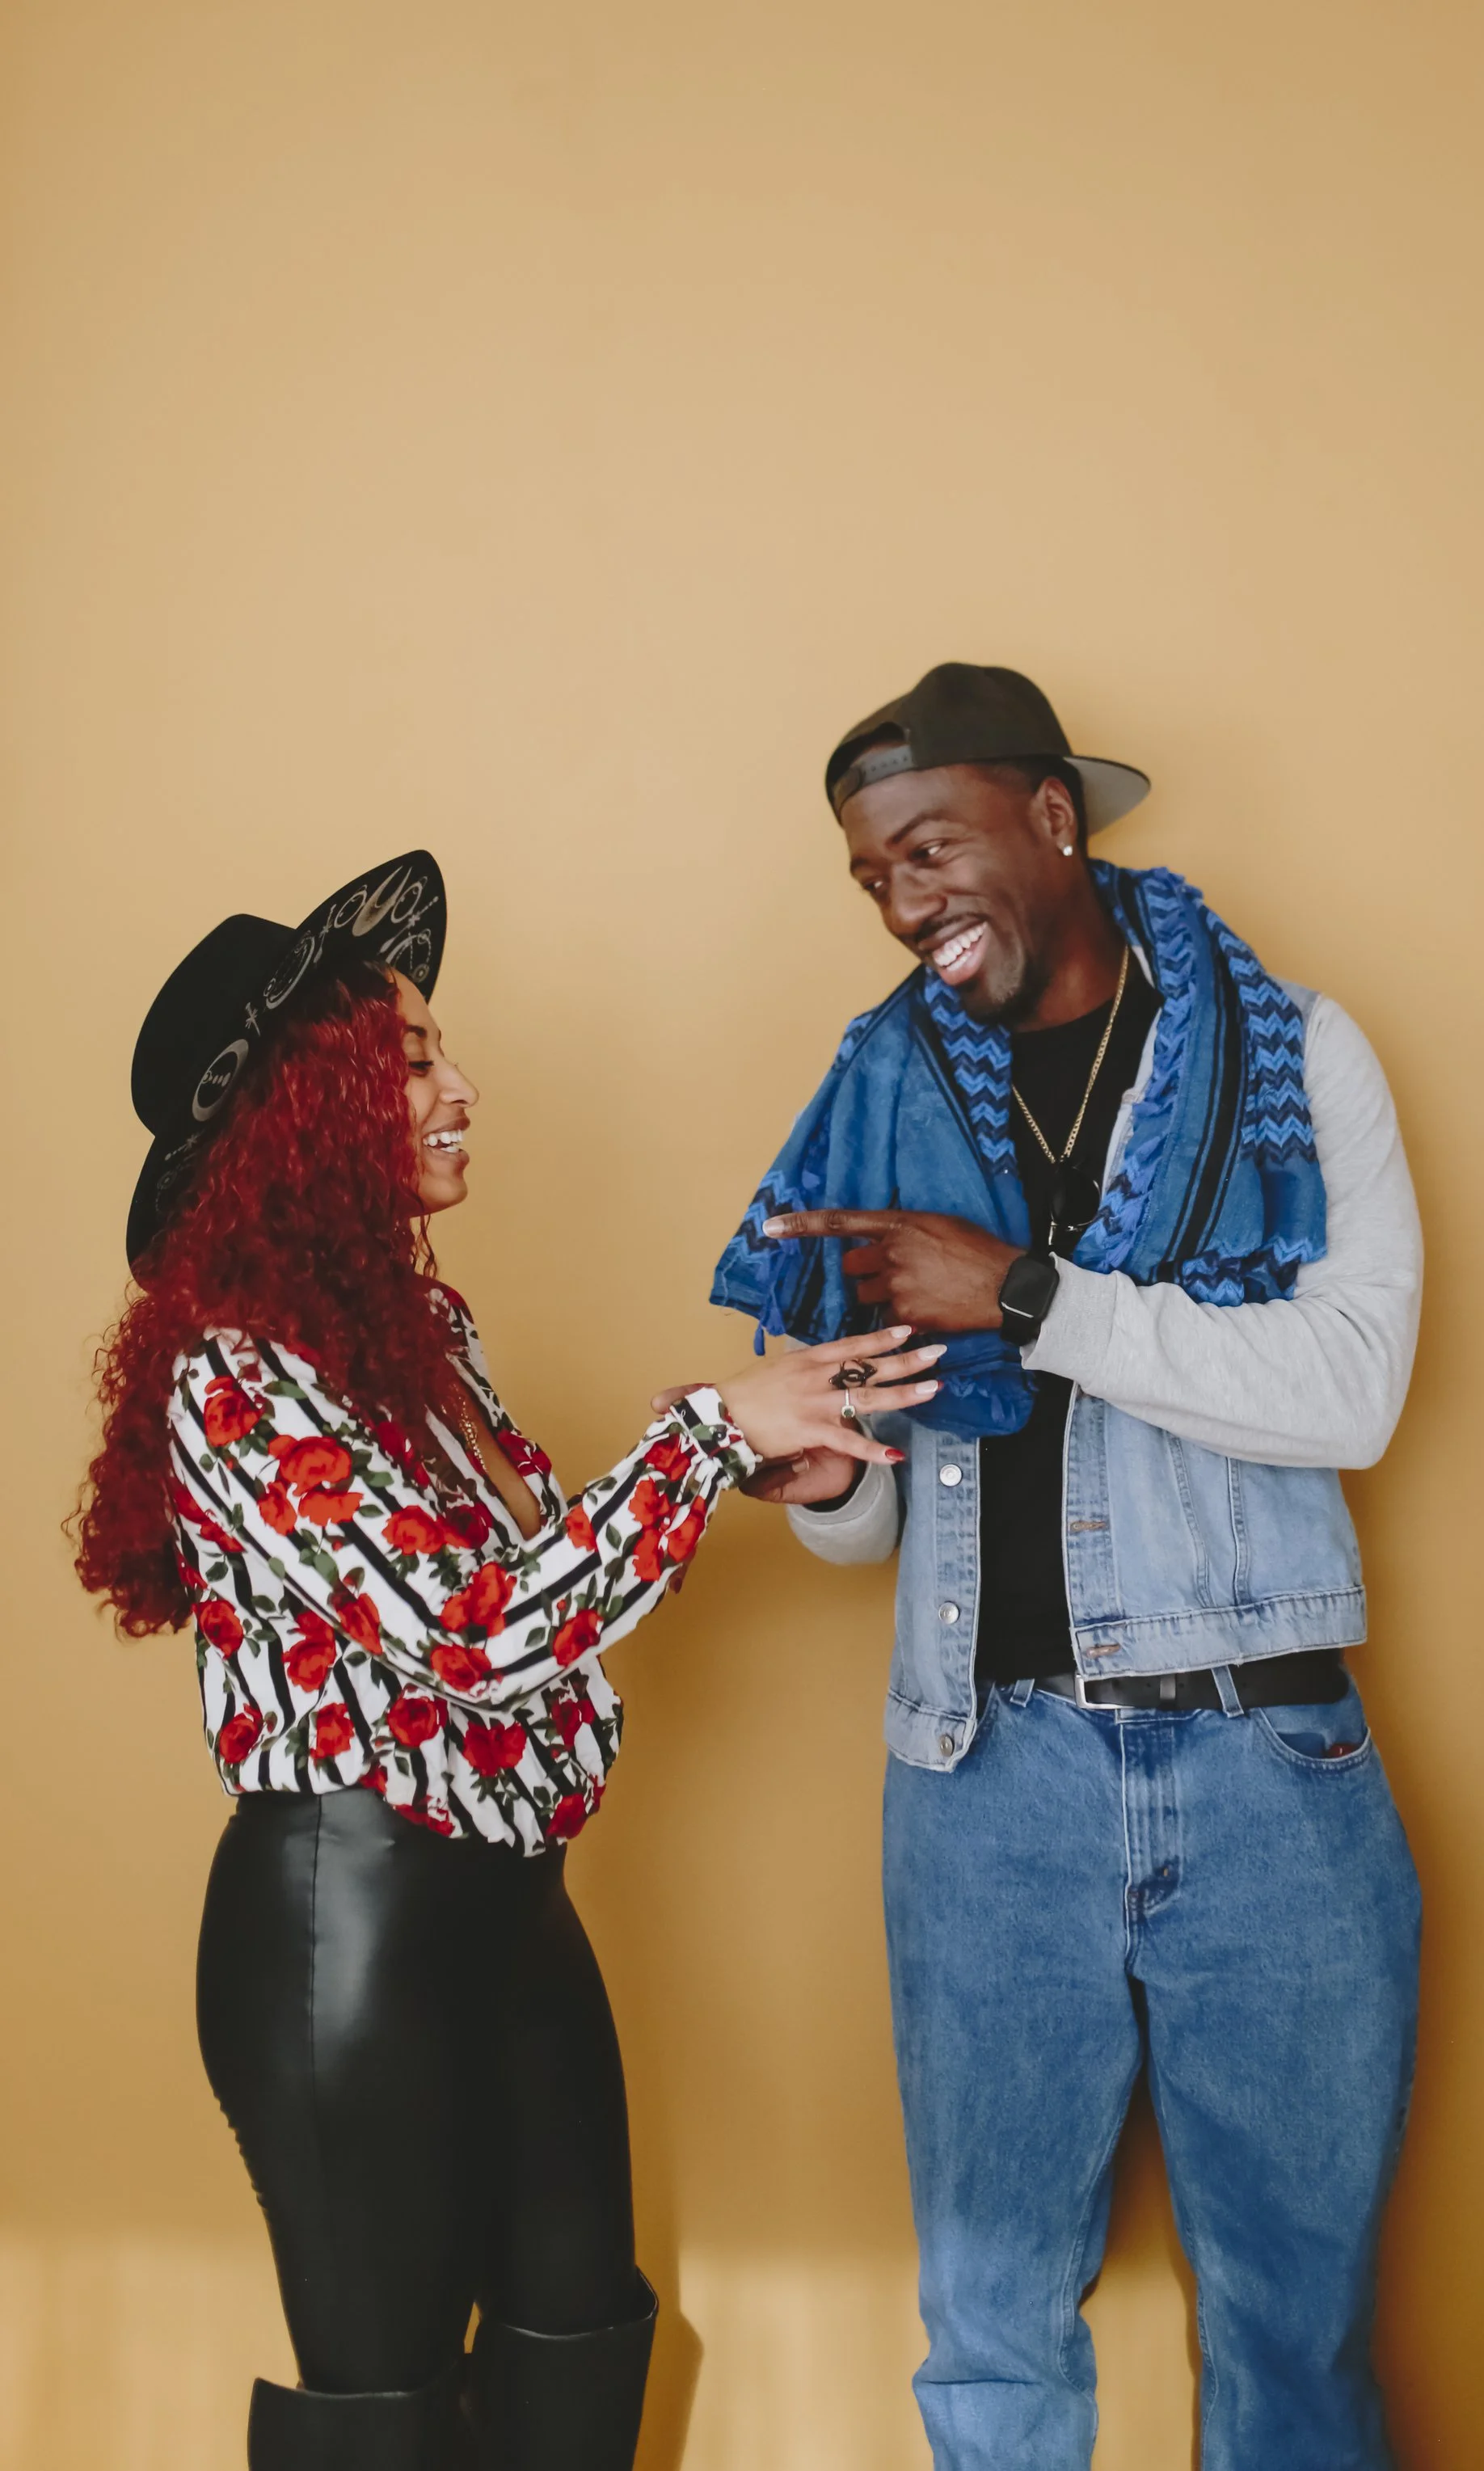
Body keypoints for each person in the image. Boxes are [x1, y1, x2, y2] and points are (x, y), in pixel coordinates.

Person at [73, 851, 942, 2471]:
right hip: (348, 1927)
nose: (460, 1090)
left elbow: (543, 1599)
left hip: (512, 1899)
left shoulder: (428, 1337)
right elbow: (480, 1638)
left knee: (578, 2330)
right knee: (384, 2407)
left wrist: (762, 1455)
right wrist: (701, 1431)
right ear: (308, 1116)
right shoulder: (231, 1378)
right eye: (411, 1063)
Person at [712, 664, 1424, 2469]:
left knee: (1291, 2337)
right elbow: (873, 1499)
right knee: (990, 2343)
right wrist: (816, 1483)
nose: (901, 904)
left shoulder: (1299, 1052)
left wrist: (1027, 1294)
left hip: (1267, 1765)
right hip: (981, 1777)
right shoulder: (875, 1100)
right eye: (869, 874)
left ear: (1051, 817)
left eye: (928, 847)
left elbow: (1353, 1392)